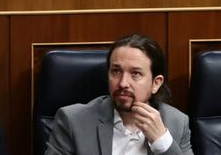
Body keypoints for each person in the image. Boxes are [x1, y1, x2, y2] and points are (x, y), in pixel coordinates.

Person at [45, 34, 193, 155]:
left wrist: (162, 143)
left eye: (135, 73)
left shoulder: (176, 123)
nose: (123, 83)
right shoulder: (73, 121)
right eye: (116, 71)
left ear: (156, 83)